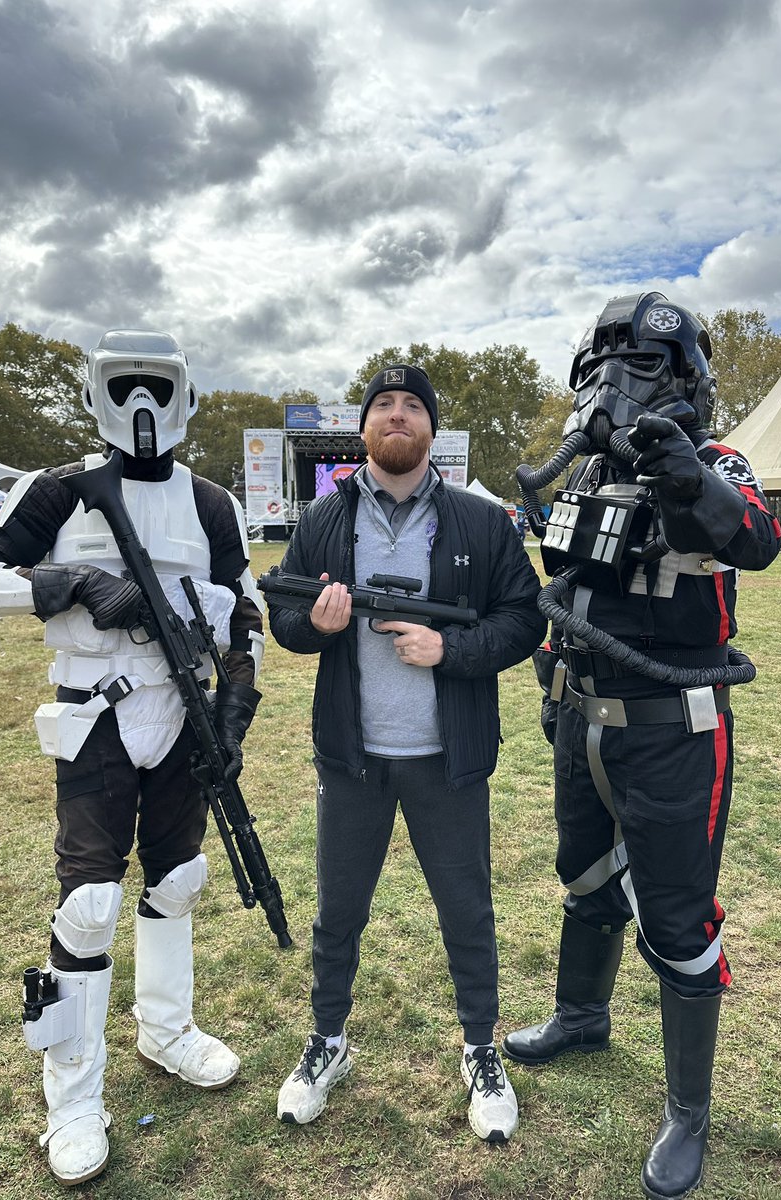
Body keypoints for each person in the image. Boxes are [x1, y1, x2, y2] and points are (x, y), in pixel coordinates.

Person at [0, 330, 265, 1186]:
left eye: (154, 385)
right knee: (88, 901)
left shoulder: (212, 505)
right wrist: (73, 584)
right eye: (122, 384)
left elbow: (243, 611)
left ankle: (165, 1031)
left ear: (185, 395)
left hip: (184, 717)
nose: (140, 404)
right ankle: (74, 1100)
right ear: (94, 393)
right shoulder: (57, 492)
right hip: (94, 717)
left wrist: (235, 709)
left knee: (178, 880)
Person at [502, 294, 781, 1199]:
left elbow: (754, 539)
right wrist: (553, 681)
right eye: (604, 364)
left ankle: (688, 1114)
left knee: (674, 912)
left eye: (644, 364)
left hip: (673, 734)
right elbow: (570, 588)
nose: (617, 383)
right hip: (581, 717)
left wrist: (683, 475)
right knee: (583, 876)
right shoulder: (582, 479)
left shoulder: (716, 461)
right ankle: (582, 1014)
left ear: (689, 378)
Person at [266, 363, 545, 1143]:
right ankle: (328, 1042)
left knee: (467, 913)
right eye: (382, 405)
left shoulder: (480, 522)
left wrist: (449, 648)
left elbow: (524, 621)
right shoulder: (324, 519)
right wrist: (316, 626)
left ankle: (480, 1051)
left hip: (446, 758)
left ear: (430, 429)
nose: (396, 416)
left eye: (411, 406)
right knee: (338, 912)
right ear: (364, 428)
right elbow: (284, 616)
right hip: (351, 758)